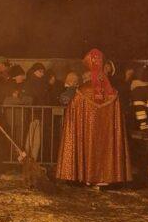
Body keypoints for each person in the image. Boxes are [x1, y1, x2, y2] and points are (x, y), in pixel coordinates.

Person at [56, 48, 131, 187]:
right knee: (105, 145)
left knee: (88, 144)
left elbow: (72, 116)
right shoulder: (112, 92)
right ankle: (107, 176)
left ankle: (87, 176)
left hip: (87, 131)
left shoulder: (81, 91)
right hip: (106, 132)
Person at [127, 66, 148, 187]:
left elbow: (143, 111)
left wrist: (146, 127)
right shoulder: (147, 90)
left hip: (146, 129)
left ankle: (146, 179)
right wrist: (147, 127)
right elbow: (143, 111)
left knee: (146, 154)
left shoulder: (142, 90)